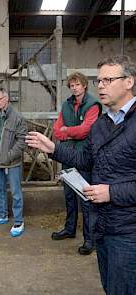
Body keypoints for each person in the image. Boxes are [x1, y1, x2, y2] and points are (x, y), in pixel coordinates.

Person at [25, 55, 136, 295]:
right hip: (104, 225)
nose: (102, 86)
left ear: (129, 82)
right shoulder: (102, 124)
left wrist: (111, 192)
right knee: (110, 286)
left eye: (108, 79)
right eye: (99, 81)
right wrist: (53, 149)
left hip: (129, 230)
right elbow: (85, 159)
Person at [51, 72, 101, 255]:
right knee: (69, 196)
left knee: (86, 199)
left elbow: (87, 130)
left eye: (77, 84)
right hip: (67, 155)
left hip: (84, 156)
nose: (74, 87)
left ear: (84, 85)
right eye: (72, 85)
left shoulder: (93, 105)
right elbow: (57, 131)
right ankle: (69, 229)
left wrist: (68, 131)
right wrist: (69, 131)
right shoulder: (66, 105)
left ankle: (90, 239)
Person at [0, 87, 27, 237]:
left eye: (0, 99)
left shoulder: (17, 117)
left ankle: (18, 221)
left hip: (11, 162)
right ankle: (2, 215)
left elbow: (22, 142)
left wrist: (8, 155)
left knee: (15, 192)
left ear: (6, 98)